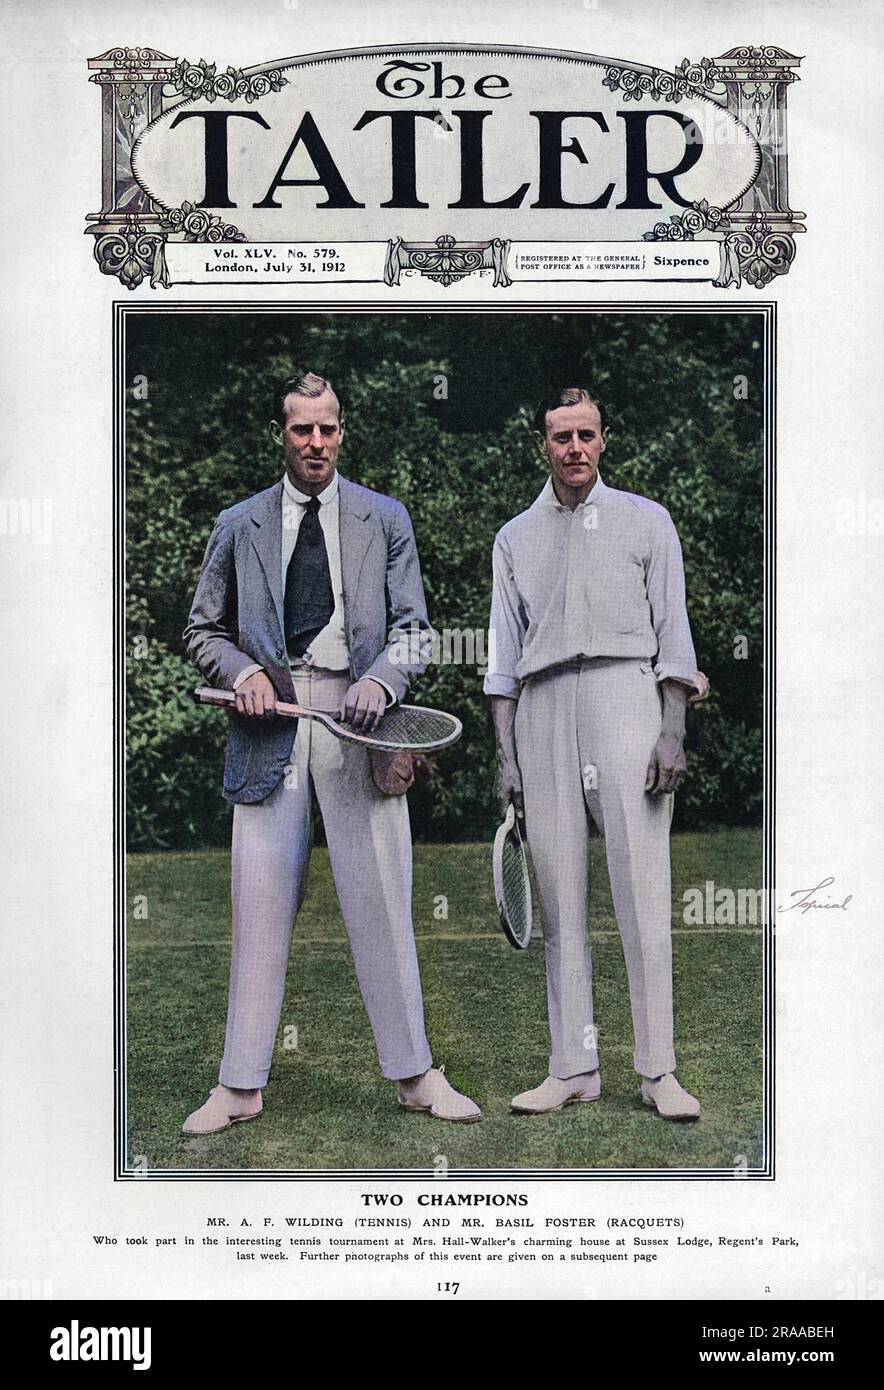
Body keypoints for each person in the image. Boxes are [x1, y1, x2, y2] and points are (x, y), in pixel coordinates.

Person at [181, 370, 481, 1133]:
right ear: (281, 435)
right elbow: (202, 630)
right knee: (259, 907)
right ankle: (240, 1086)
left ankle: (416, 1076)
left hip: (361, 724)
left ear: (342, 433)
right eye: (300, 429)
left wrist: (381, 682)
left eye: (327, 429)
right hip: (271, 724)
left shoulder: (385, 518)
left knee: (383, 904)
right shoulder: (239, 523)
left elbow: (416, 629)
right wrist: (244, 672)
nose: (315, 443)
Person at [484, 386, 705, 1122]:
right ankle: (573, 1067)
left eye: (585, 435)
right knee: (560, 904)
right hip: (543, 710)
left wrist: (671, 730)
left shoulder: (649, 521)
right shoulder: (514, 537)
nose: (573, 448)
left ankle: (656, 1071)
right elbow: (502, 659)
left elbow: (674, 636)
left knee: (642, 895)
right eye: (559, 437)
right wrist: (505, 755)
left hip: (625, 701)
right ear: (541, 445)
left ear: (604, 440)